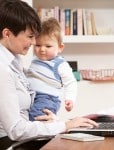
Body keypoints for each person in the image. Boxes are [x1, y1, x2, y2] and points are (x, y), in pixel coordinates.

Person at [0, 0, 98, 148]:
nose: (34, 43)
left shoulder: (16, 61)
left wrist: (55, 122)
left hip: (21, 138)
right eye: (30, 36)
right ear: (7, 34)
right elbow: (16, 130)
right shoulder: (3, 69)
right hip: (9, 143)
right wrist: (65, 125)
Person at [26, 18, 77, 121]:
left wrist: (70, 99)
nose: (42, 49)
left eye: (48, 46)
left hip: (47, 98)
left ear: (60, 47)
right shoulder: (35, 60)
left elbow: (71, 82)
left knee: (36, 118)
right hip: (31, 95)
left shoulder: (60, 64)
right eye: (38, 45)